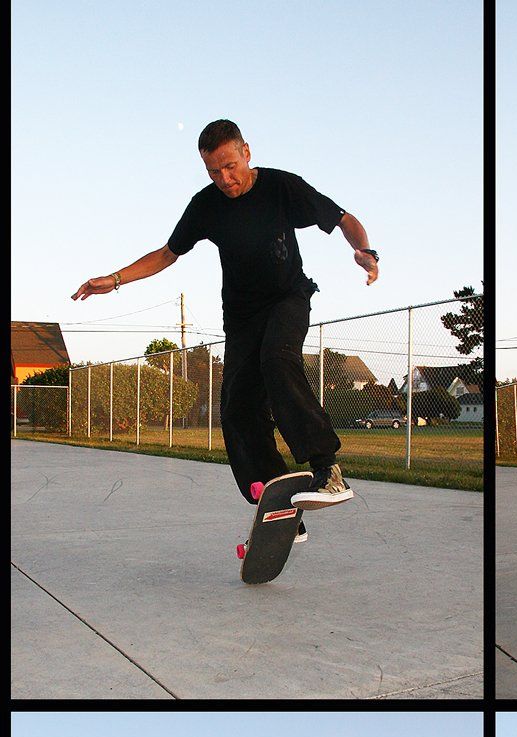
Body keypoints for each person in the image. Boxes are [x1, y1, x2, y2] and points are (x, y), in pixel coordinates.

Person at [71, 119, 379, 528]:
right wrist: (115, 279)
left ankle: (328, 469)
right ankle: (279, 504)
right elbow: (167, 253)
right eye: (213, 171)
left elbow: (343, 218)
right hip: (241, 316)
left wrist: (364, 250)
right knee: (236, 408)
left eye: (230, 167)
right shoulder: (206, 205)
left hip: (288, 298)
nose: (225, 179)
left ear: (246, 152)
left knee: (277, 359)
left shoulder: (282, 187)